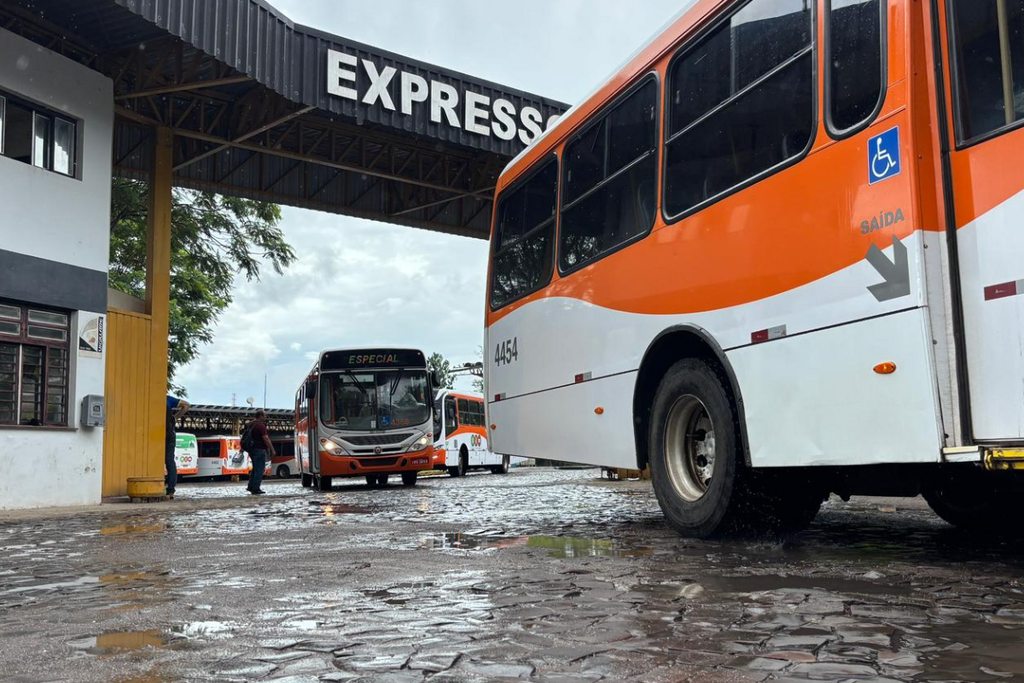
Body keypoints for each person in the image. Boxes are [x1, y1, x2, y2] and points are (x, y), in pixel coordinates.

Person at [244, 409, 275, 496]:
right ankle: (255, 488)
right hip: (259, 450)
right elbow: (266, 439)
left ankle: (250, 486)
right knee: (259, 469)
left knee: (255, 469)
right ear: (260, 416)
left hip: (252, 449)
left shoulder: (251, 424)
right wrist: (272, 449)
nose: (266, 417)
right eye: (265, 415)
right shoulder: (260, 426)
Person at [166, 395, 191, 498]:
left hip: (154, 434)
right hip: (169, 434)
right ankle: (170, 491)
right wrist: (175, 418)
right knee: (170, 461)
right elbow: (186, 405)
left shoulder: (147, 398)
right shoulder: (168, 399)